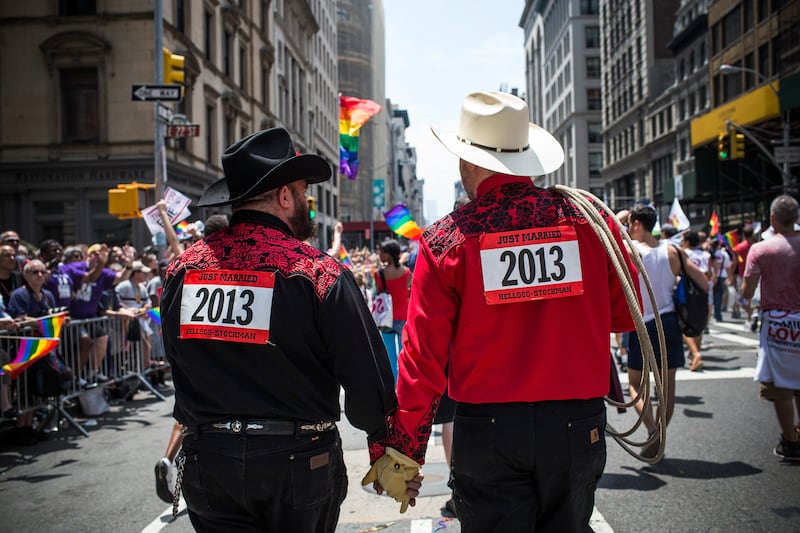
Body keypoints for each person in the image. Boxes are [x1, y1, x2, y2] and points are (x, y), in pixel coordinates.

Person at [375, 90, 638, 531]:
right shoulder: (591, 221)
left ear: (467, 162)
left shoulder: (447, 240)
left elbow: (422, 361)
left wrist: (403, 453)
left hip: (489, 427)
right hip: (576, 421)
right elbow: (625, 315)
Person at [160, 127, 399, 531]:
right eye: (304, 192)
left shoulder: (183, 270)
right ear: (285, 196)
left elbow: (176, 358)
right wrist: (383, 442)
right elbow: (365, 375)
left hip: (210, 458)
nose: (307, 201)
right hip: (298, 460)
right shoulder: (316, 272)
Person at [625, 203, 709, 458]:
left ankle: (652, 430)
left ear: (637, 224)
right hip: (669, 322)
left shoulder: (629, 251)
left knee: (634, 383)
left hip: (640, 323)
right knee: (667, 388)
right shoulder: (673, 250)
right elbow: (704, 282)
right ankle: (660, 435)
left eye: (630, 223)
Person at [741, 194, 800, 462]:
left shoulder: (761, 249)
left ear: (773, 219)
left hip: (778, 324)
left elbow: (747, 290)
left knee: (781, 385)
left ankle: (790, 440)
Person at [682, 231, 713, 370]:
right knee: (700, 323)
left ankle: (694, 354)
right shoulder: (706, 255)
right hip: (704, 291)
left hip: (687, 291)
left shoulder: (683, 253)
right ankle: (695, 354)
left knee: (684, 324)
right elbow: (710, 274)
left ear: (687, 241)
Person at [734, 224, 757, 329]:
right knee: (750, 298)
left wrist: (730, 275)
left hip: (742, 275)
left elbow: (734, 262)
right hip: (755, 274)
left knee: (740, 299)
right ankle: (751, 317)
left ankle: (751, 315)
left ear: (743, 234)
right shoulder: (756, 246)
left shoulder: (738, 247)